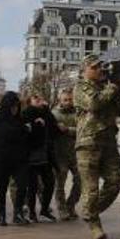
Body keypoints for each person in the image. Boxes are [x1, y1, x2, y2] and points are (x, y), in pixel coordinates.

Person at [74, 54, 120, 239]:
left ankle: (90, 211)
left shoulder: (107, 88)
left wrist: (116, 89)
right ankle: (95, 223)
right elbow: (94, 104)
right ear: (85, 70)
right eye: (95, 67)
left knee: (115, 182)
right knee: (91, 188)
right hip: (88, 143)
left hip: (108, 142)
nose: (99, 70)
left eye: (101, 68)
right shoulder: (81, 87)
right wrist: (112, 88)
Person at [0, 91, 33, 226]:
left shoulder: (19, 119)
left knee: (22, 185)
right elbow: (8, 134)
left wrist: (23, 130)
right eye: (12, 106)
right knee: (1, 188)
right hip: (1, 160)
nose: (15, 109)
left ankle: (18, 213)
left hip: (19, 159)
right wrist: (23, 130)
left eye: (16, 106)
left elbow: (23, 135)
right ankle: (1, 215)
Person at [22, 93, 57, 222]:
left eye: (40, 98)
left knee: (50, 182)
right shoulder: (26, 113)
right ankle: (32, 212)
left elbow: (53, 126)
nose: (39, 100)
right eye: (35, 98)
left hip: (46, 154)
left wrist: (46, 110)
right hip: (31, 154)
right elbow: (24, 130)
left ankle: (44, 209)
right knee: (32, 185)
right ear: (29, 100)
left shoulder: (45, 112)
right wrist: (35, 124)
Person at [51, 89, 80, 220]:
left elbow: (83, 130)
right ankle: (62, 209)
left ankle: (71, 204)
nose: (69, 102)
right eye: (65, 100)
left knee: (81, 180)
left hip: (76, 153)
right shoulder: (54, 114)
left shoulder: (78, 113)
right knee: (60, 184)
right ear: (60, 100)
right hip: (59, 154)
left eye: (70, 99)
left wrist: (67, 130)